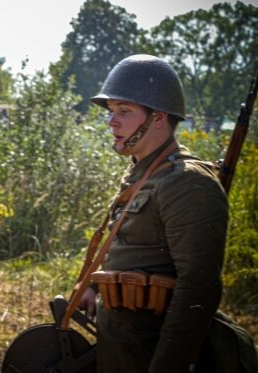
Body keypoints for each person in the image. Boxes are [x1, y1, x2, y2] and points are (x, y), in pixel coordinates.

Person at [78, 54, 230, 372]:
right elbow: (135, 249)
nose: (111, 122)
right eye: (111, 111)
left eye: (124, 111)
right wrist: (95, 288)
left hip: (150, 356)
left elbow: (198, 288)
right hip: (122, 347)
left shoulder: (187, 182)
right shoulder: (144, 172)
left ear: (158, 118)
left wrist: (167, 366)